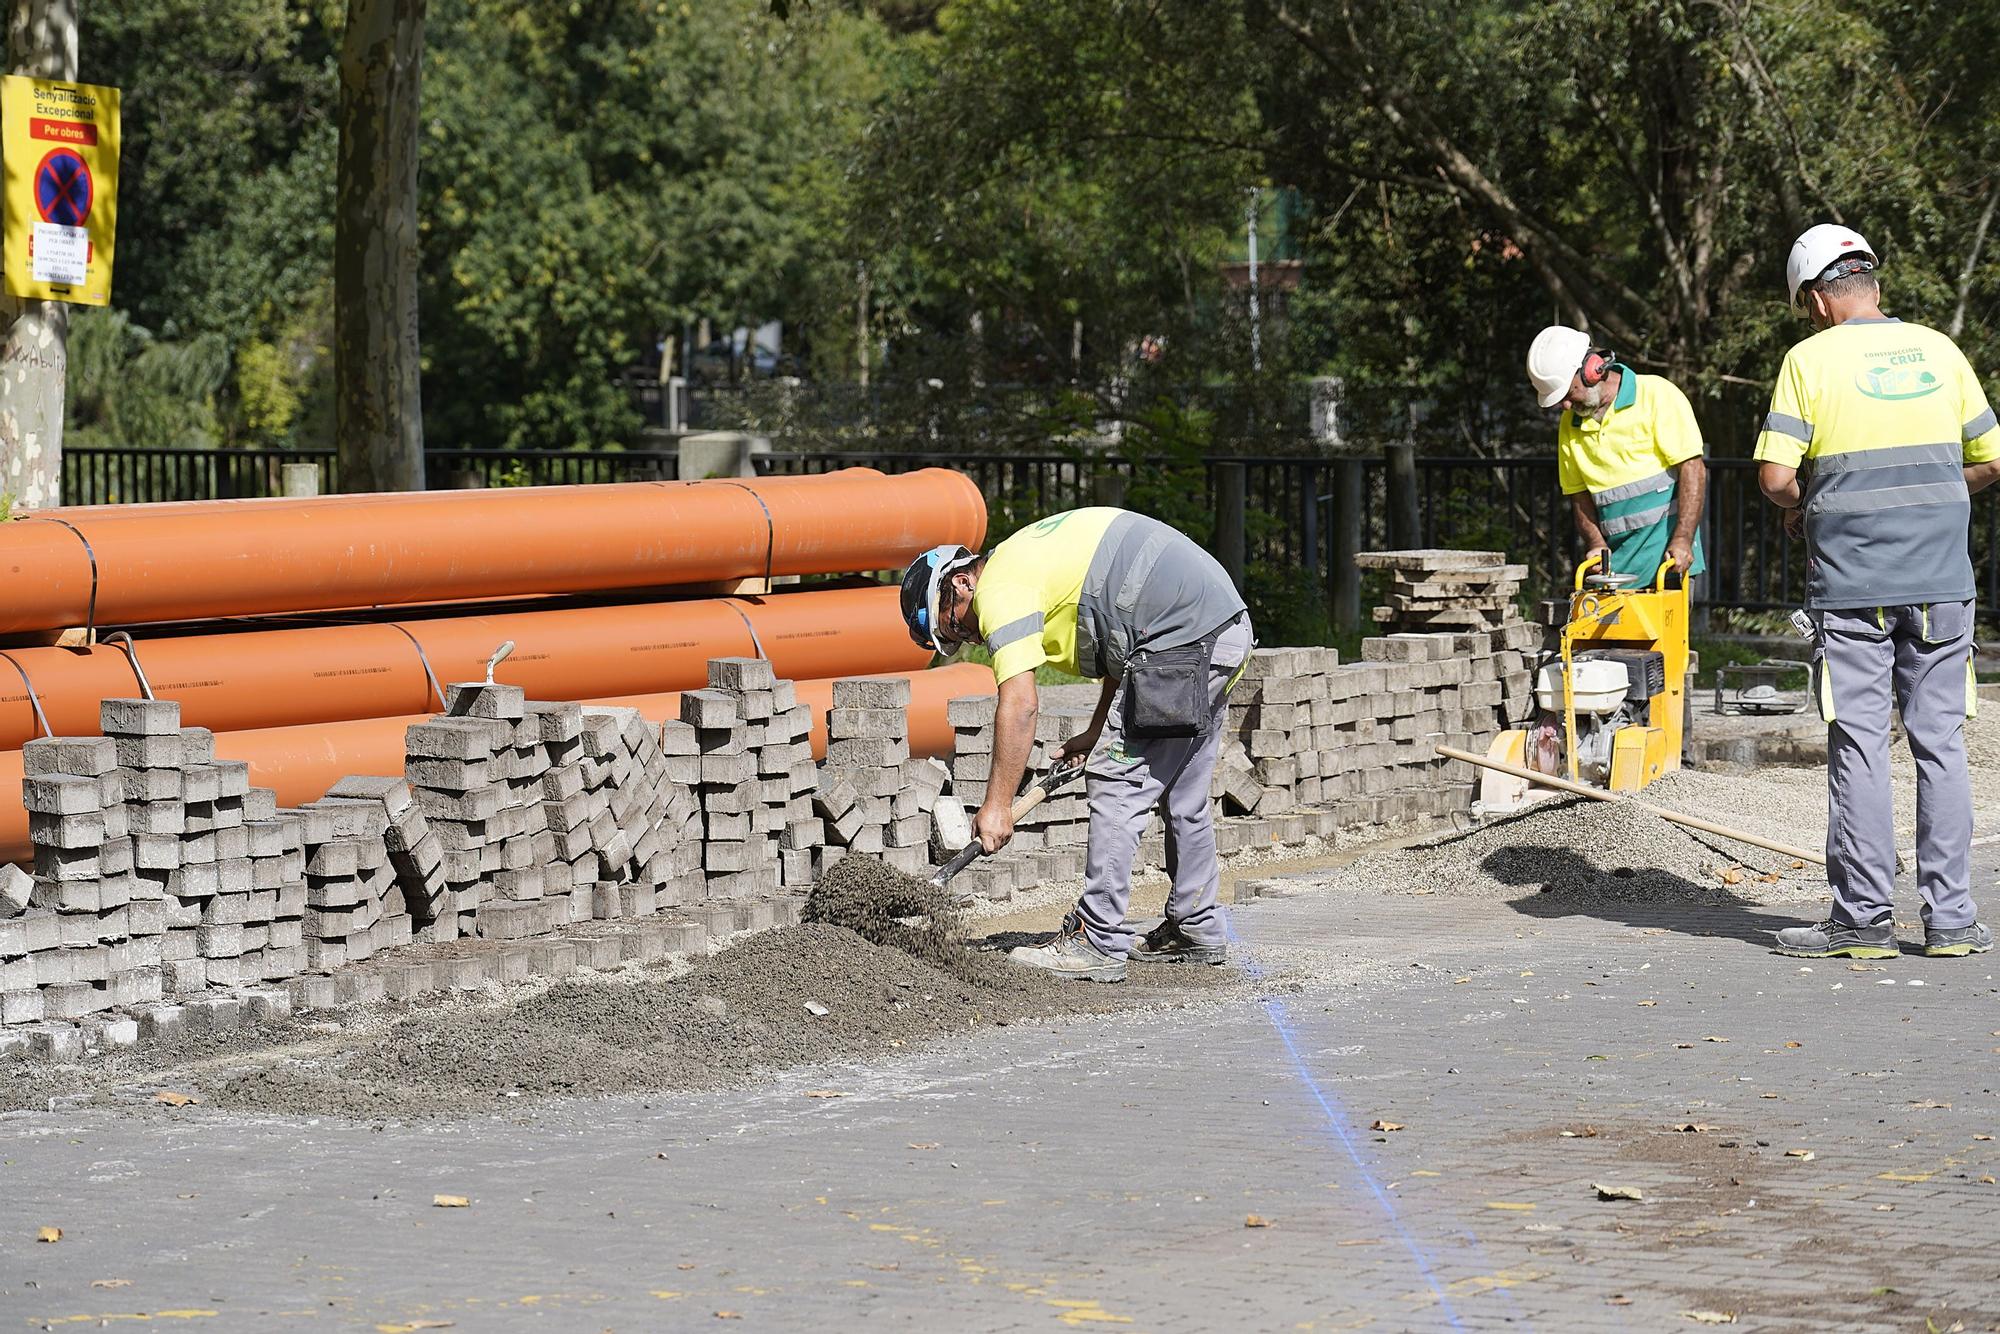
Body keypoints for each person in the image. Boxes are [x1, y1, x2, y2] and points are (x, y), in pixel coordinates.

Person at [1754, 223, 2000, 959]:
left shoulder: (1808, 360)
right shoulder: (1939, 350)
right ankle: (1951, 921)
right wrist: (1934, 495)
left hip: (1853, 587)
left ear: (1819, 301)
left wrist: (1808, 505)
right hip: (1940, 586)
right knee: (1941, 746)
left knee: (1860, 745)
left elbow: (1773, 477)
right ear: (1871, 284)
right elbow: (1990, 459)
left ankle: (1862, 923)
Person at [900, 509, 1254, 982]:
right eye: (952, 640)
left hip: (1182, 637)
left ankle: (1097, 939)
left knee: (1114, 779)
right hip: (1217, 630)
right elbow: (1120, 642)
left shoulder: (999, 589)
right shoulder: (1025, 561)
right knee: (1182, 793)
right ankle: (1197, 928)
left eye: (954, 627)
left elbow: (1021, 705)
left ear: (961, 583)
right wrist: (1094, 731)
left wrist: (998, 805)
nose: (967, 638)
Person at [1526, 324, 1709, 582]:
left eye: (1568, 393)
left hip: (1668, 567)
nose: (1565, 405)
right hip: (1614, 573)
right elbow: (1578, 494)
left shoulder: (1656, 395)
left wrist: (1682, 539)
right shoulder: (1570, 424)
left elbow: (1693, 469)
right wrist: (1595, 542)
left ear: (1593, 369)